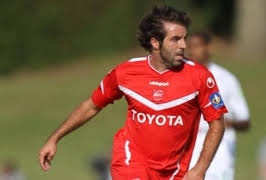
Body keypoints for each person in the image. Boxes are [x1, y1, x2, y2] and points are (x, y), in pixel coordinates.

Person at [39, 6, 227, 180]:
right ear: (155, 42)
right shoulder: (125, 72)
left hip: (175, 171)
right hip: (130, 161)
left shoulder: (200, 77)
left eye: (184, 38)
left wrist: (200, 169)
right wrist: (55, 138)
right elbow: (91, 105)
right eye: (175, 39)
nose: (184, 45)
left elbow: (217, 123)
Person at [187, 32, 250, 180]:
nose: (192, 51)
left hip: (219, 145)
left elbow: (244, 120)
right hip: (189, 143)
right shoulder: (180, 76)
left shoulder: (226, 79)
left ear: (208, 47)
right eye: (190, 46)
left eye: (197, 46)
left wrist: (224, 123)